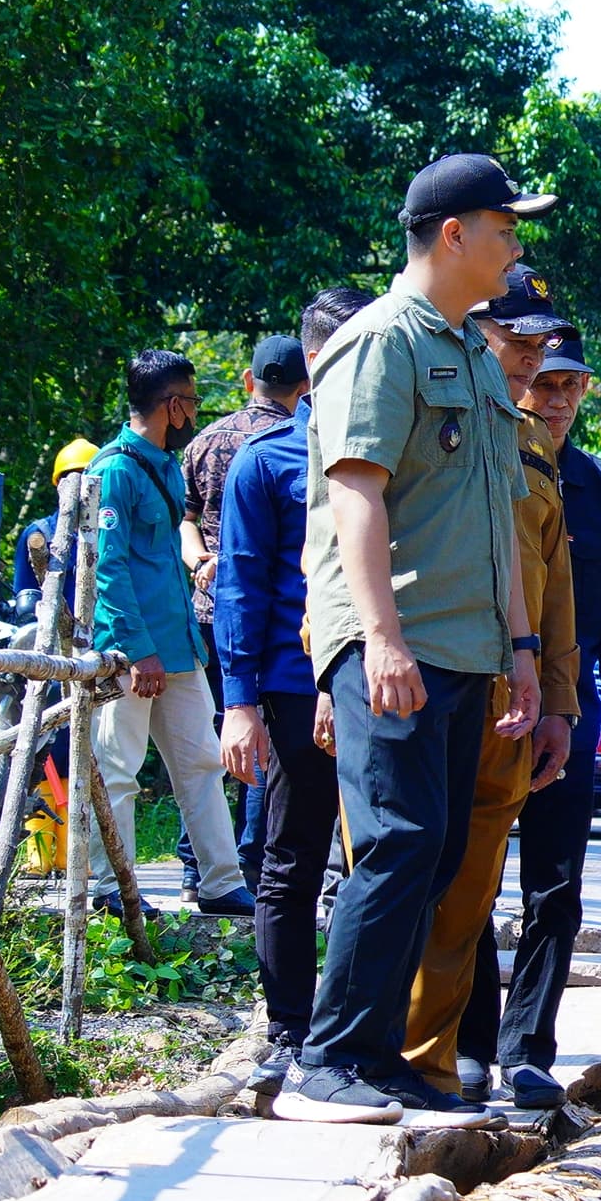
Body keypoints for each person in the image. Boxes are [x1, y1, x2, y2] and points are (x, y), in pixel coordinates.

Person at [281, 152, 551, 1127]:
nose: (514, 242)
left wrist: (521, 651)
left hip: (468, 651)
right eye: (504, 226)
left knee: (430, 854)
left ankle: (376, 1055)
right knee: (395, 841)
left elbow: (500, 522)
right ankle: (324, 1061)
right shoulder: (378, 343)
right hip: (395, 643)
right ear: (451, 234)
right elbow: (354, 492)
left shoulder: (475, 357)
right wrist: (380, 641)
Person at [400, 266, 580, 1099]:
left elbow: (553, 585)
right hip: (415, 677)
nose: (536, 360)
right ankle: (363, 1055)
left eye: (545, 344)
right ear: (474, 330)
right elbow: (340, 542)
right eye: (521, 340)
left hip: (509, 698)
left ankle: (431, 1064)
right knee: (399, 869)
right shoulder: (412, 399)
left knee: (472, 885)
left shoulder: (532, 442)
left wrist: (559, 702)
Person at [476, 319, 601, 1108]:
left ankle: (526, 1048)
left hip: (564, 707)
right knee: (467, 874)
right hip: (483, 696)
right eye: (546, 382)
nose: (559, 399)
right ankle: (471, 1040)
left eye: (572, 385)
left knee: (554, 885)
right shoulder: (484, 457)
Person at [216, 288, 371, 1090]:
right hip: (286, 683)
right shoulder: (265, 460)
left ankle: (361, 1030)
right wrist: (238, 703)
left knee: (383, 856)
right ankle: (288, 1029)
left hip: (378, 677)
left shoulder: (395, 451)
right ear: (314, 362)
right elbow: (240, 587)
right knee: (293, 856)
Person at [88, 351, 252, 918]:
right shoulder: (113, 471)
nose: (194, 416)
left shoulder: (161, 464)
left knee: (203, 763)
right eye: (193, 403)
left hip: (179, 648)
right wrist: (138, 651)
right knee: (118, 770)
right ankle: (111, 890)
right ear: (173, 405)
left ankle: (221, 883)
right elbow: (106, 568)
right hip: (130, 653)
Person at [181, 334, 312, 889]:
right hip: (272, 618)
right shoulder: (300, 443)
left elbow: (184, 516)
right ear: (305, 385)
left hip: (214, 609)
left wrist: (198, 560)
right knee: (267, 746)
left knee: (222, 731)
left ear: (247, 380)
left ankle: (195, 861)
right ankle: (251, 857)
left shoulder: (207, 440)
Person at [13, 436, 99, 609]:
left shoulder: (113, 533)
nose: (79, 484)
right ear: (59, 484)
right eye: (70, 477)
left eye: (86, 477)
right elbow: (24, 598)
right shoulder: (39, 534)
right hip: (50, 631)